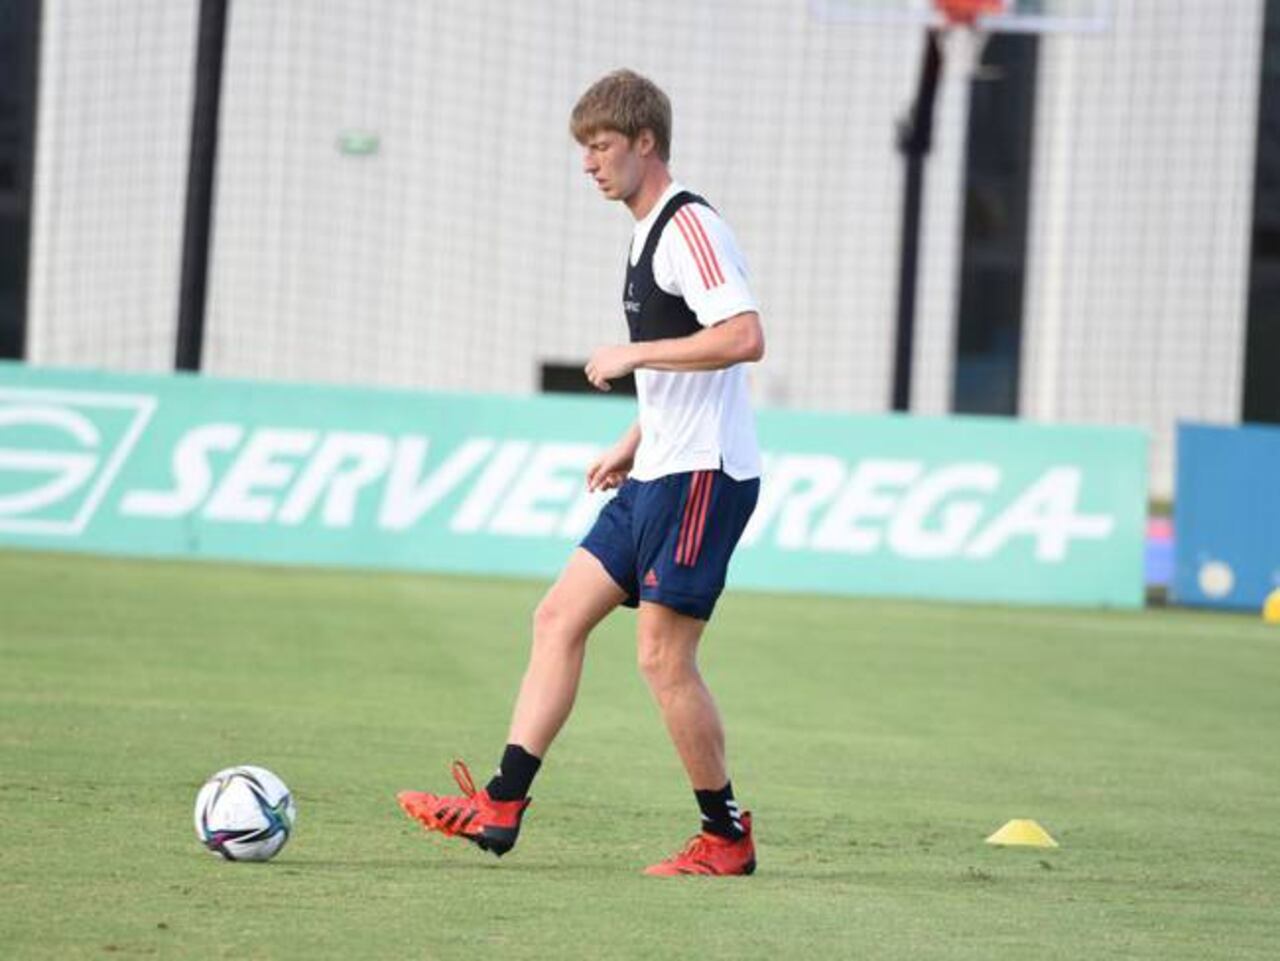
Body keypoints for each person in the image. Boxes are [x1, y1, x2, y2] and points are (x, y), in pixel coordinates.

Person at [397, 68, 765, 877]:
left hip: (704, 477)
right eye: (584, 150)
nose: (589, 164)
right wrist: (637, 434)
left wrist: (634, 355)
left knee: (663, 659)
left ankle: (725, 836)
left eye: (600, 146)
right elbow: (688, 364)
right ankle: (500, 804)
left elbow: (742, 336)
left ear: (645, 143)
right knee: (557, 616)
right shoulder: (641, 235)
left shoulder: (689, 226)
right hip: (660, 469)